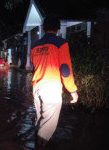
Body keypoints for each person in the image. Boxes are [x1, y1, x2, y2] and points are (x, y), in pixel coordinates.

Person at [30, 14, 79, 147]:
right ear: (57, 28)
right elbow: (65, 70)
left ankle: (36, 142)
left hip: (37, 87)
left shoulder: (34, 46)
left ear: (44, 28)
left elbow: (32, 67)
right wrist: (73, 90)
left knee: (40, 118)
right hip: (51, 88)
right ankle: (40, 145)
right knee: (48, 124)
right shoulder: (61, 44)